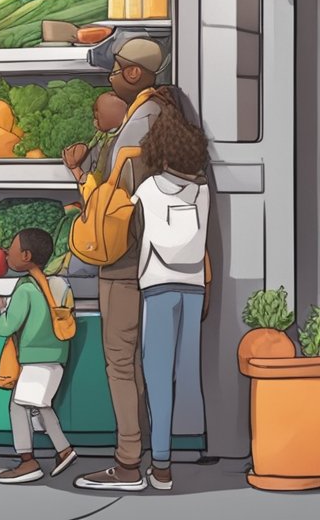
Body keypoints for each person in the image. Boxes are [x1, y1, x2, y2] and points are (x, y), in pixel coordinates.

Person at [66, 37, 171, 493]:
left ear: (131, 74)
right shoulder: (161, 113)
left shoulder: (135, 129)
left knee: (120, 362)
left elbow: (115, 208)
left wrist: (79, 177)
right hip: (158, 257)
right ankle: (150, 455)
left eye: (114, 70)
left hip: (124, 261)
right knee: (142, 361)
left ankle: (128, 464)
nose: (108, 78)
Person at [133, 106, 211, 491]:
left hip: (157, 287)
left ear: (159, 151)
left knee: (157, 377)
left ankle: (161, 465)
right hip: (193, 286)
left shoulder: (147, 190)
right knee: (186, 374)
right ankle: (187, 447)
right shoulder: (203, 191)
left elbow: (131, 230)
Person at [0, 228, 77, 484]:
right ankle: (64, 451)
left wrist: (2, 310)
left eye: (12, 248)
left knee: (19, 407)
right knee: (39, 406)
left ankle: (28, 462)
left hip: (34, 358)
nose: (7, 252)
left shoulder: (26, 288)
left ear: (26, 256)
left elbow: (5, 327)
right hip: (57, 357)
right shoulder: (59, 283)